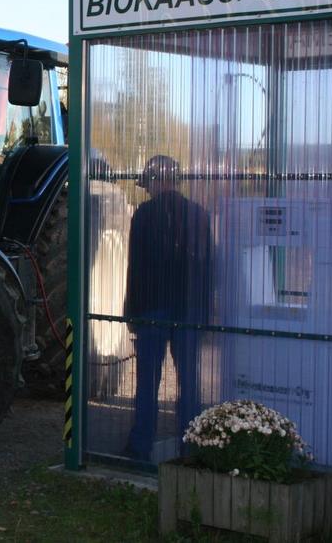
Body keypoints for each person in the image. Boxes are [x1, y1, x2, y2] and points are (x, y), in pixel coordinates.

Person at [122, 155, 212, 462]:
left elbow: (136, 268)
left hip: (152, 309)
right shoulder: (199, 214)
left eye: (148, 184)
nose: (147, 190)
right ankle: (191, 445)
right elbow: (207, 266)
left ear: (159, 181)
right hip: (189, 310)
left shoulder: (144, 215)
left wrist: (130, 311)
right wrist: (206, 310)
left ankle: (140, 445)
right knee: (189, 380)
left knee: (148, 381)